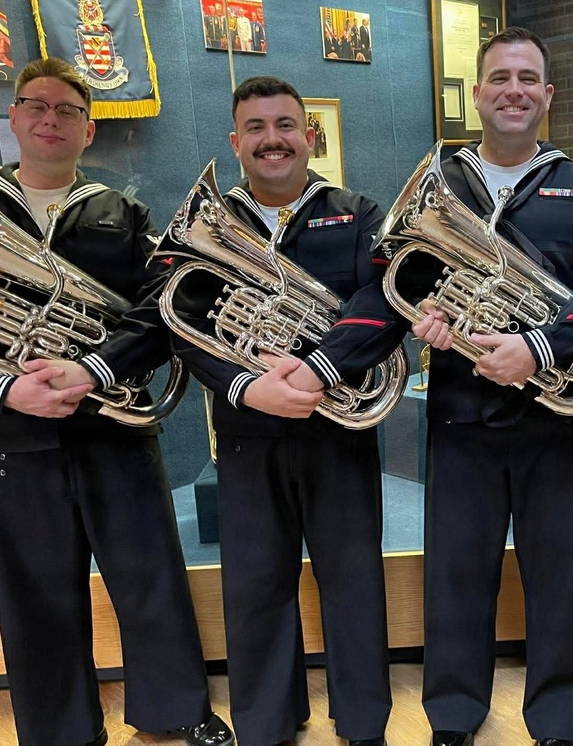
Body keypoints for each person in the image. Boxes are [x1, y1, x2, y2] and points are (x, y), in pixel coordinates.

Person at [0, 57, 233, 746]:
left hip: (112, 428)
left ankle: (179, 709)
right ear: (15, 116)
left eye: (67, 112)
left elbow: (158, 312)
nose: (51, 120)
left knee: (150, 580)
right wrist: (4, 388)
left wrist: (90, 366)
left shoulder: (122, 210)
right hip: (12, 436)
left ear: (89, 130)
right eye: (38, 106)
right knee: (36, 599)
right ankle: (61, 732)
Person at [399, 26, 573, 746]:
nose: (514, 90)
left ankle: (562, 721)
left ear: (548, 95)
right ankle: (453, 716)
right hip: (461, 411)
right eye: (500, 77)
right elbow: (401, 271)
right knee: (456, 576)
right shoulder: (440, 179)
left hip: (553, 414)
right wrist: (426, 314)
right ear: (477, 92)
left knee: (564, 581)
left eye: (528, 78)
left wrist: (540, 346)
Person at [166, 75, 404, 746]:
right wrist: (242, 386)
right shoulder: (212, 218)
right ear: (236, 141)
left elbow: (384, 300)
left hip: (339, 430)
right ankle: (266, 726)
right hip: (246, 434)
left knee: (354, 587)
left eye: (286, 125)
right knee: (256, 588)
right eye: (257, 128)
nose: (273, 140)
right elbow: (179, 320)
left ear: (310, 134)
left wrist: (322, 365)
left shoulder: (357, 212)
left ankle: (364, 728)